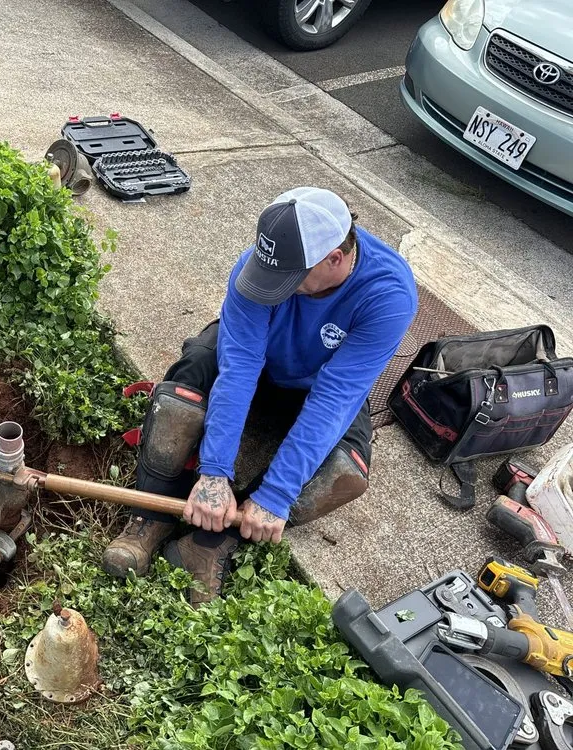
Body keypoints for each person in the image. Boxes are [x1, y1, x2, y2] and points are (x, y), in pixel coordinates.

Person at [103, 187, 418, 604]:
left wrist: (277, 493)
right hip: (257, 361)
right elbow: (238, 369)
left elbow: (335, 397)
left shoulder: (388, 295)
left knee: (346, 472)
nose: (273, 287)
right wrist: (214, 472)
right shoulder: (258, 267)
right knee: (183, 391)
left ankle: (208, 545)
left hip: (316, 384)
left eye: (288, 280)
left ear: (334, 259)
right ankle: (152, 512)